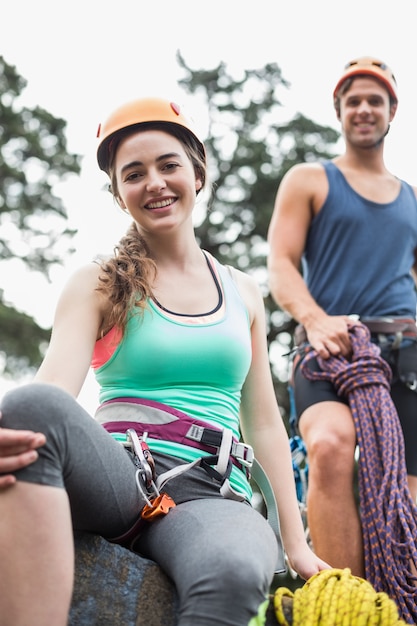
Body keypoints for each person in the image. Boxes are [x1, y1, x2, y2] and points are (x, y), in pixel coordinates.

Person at [0, 96, 329, 626]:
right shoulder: (99, 282)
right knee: (30, 407)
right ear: (119, 194)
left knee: (231, 571)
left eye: (168, 165)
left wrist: (296, 544)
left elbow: (265, 422)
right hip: (117, 476)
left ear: (197, 174)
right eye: (134, 173)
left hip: (211, 491)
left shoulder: (243, 293)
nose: (154, 182)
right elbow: (53, 391)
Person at [267, 57, 417, 579]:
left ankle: (403, 598)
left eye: (375, 100)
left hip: (406, 353)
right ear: (339, 110)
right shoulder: (310, 179)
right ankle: (344, 607)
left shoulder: (413, 200)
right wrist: (313, 318)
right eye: (353, 99)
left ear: (392, 111)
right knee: (329, 446)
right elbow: (281, 265)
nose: (364, 109)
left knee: (409, 483)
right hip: (331, 346)